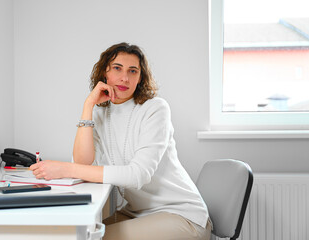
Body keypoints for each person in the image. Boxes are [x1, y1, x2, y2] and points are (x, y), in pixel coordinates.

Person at [30, 42, 211, 240]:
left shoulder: (155, 109)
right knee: (74, 232)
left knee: (94, 237)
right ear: (104, 73)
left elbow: (138, 175)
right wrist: (88, 106)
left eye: (133, 71)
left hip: (183, 216)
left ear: (140, 78)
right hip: (138, 212)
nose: (125, 78)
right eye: (117, 68)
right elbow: (82, 162)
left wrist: (65, 169)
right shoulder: (100, 114)